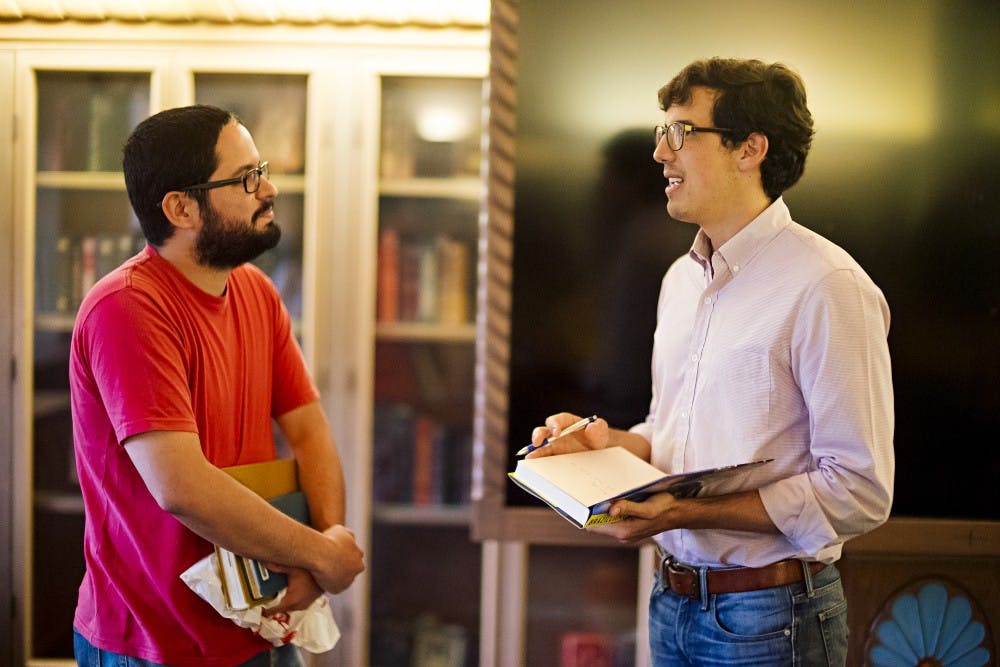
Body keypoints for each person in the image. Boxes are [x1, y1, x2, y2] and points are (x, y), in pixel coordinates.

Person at [529, 58, 894, 666]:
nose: (659, 154)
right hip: (671, 602)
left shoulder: (828, 285)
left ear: (749, 149)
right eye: (659, 133)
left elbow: (859, 488)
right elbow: (671, 436)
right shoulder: (680, 280)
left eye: (680, 132)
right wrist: (600, 446)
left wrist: (687, 511)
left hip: (771, 616)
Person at [69, 104, 365, 666]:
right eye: (247, 178)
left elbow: (307, 429)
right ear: (181, 207)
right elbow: (181, 487)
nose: (269, 188)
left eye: (263, 169)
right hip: (153, 642)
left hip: (263, 614)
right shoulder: (126, 307)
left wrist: (321, 554)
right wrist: (322, 556)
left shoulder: (256, 291)